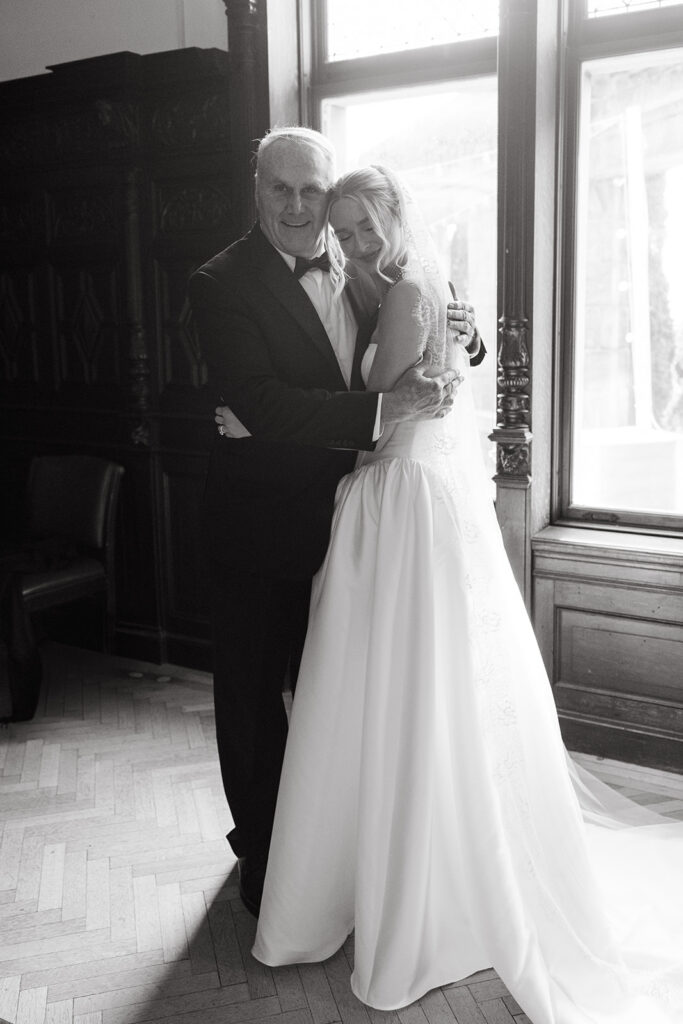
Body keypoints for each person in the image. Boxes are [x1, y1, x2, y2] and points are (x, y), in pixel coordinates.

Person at [251, 166, 683, 1023]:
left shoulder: (410, 288)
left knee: (400, 689)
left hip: (403, 499)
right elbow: (436, 362)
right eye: (343, 227)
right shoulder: (418, 280)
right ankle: (417, 856)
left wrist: (265, 414)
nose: (352, 239)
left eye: (363, 222)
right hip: (416, 493)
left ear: (394, 213)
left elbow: (376, 398)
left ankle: (419, 886)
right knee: (415, 687)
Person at [188, 127, 483, 917]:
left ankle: (338, 848)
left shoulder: (361, 266)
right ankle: (261, 850)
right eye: (279, 188)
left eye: (310, 189)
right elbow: (262, 397)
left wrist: (463, 337)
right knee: (252, 699)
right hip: (259, 526)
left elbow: (425, 316)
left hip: (360, 522)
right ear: (255, 189)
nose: (297, 205)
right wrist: (381, 407)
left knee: (337, 695)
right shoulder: (220, 282)